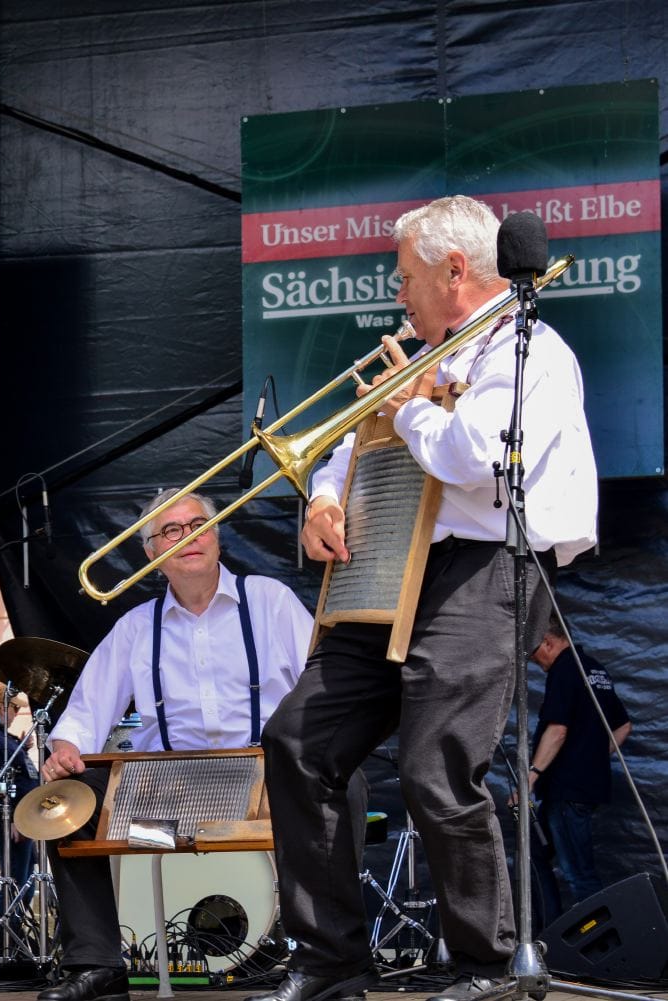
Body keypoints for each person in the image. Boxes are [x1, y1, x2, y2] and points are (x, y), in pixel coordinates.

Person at [257, 195, 598, 1001]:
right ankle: (330, 960)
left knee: (435, 765)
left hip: (486, 567)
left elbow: (476, 455)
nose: (397, 292)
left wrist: (407, 405)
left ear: (454, 271)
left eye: (404, 276)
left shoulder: (528, 349)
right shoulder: (426, 357)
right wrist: (324, 500)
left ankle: (488, 964)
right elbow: (351, 449)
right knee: (298, 742)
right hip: (390, 571)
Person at [37, 490, 315, 1001]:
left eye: (198, 524)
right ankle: (98, 965)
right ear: (150, 552)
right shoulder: (135, 627)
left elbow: (322, 690)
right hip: (168, 791)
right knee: (66, 803)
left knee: (338, 785)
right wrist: (67, 748)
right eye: (169, 531)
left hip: (266, 777)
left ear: (217, 537)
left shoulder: (270, 600)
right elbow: (85, 711)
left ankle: (326, 963)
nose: (188, 537)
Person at [523, 615, 631, 923]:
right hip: (575, 787)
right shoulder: (594, 669)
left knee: (579, 874)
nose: (533, 661)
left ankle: (601, 943)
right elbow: (623, 726)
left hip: (568, 789)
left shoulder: (564, 669)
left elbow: (557, 730)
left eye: (533, 653)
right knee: (533, 855)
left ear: (548, 642)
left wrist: (529, 778)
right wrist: (592, 756)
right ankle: (551, 930)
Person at [0, 681, 40, 894]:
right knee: (15, 886)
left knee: (23, 884)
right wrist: (15, 817)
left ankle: (11, 918)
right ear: (2, 708)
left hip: (14, 817)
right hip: (6, 819)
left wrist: (20, 749)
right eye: (15, 708)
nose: (16, 714)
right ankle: (5, 918)